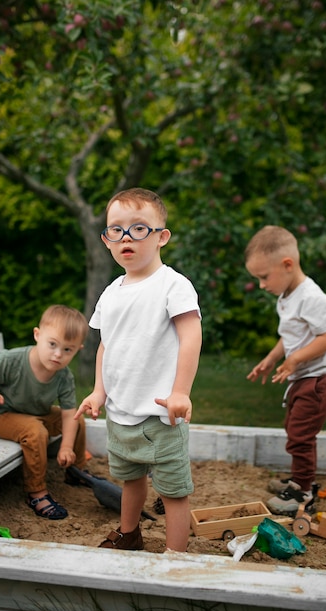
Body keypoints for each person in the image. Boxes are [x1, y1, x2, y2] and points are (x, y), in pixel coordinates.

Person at [75, 188, 202, 552]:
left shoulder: (172, 285)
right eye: (116, 229)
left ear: (162, 237)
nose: (126, 236)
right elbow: (106, 345)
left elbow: (191, 336)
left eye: (139, 228)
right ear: (107, 241)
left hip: (160, 414)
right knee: (131, 481)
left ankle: (175, 555)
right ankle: (129, 533)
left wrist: (181, 391)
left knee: (173, 491)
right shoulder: (111, 292)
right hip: (121, 412)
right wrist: (99, 391)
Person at [245, 225, 326, 515]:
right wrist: (272, 357)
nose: (262, 285)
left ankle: (302, 493)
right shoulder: (288, 296)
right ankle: (299, 480)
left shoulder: (311, 298)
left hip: (321, 379)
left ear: (287, 264)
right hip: (308, 377)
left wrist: (295, 359)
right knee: (294, 429)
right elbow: (290, 336)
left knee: (300, 435)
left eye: (264, 277)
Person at [0, 304, 89, 520]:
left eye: (68, 349)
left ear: (78, 350)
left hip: (34, 413)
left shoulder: (64, 376)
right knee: (36, 431)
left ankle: (75, 470)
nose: (58, 354)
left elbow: (68, 413)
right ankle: (36, 492)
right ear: (38, 335)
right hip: (1, 414)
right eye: (53, 344)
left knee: (77, 419)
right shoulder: (11, 360)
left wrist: (66, 447)